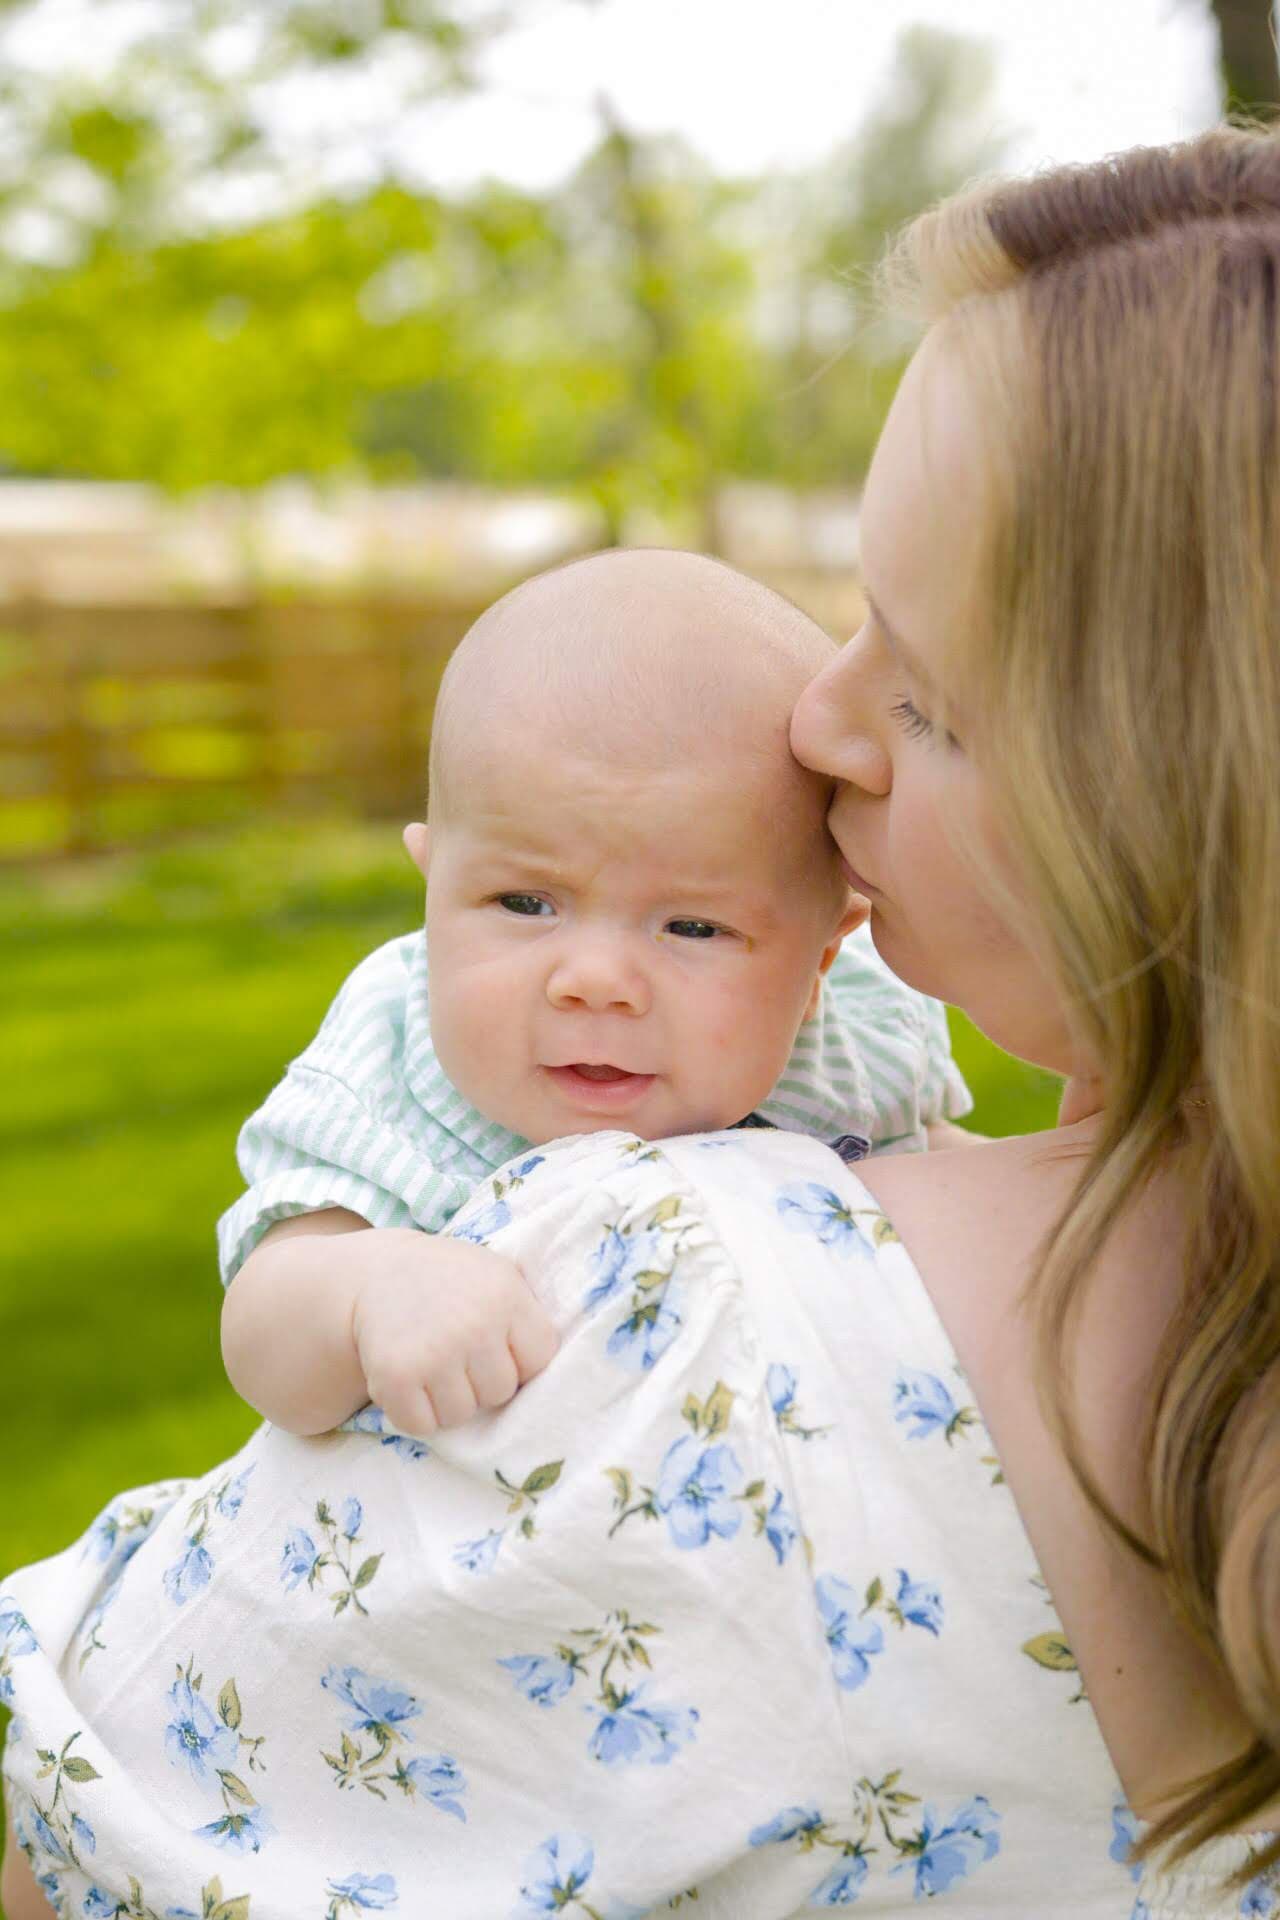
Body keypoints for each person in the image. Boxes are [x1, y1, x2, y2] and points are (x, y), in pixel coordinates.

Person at [4, 124, 1280, 1918]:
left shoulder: (686, 1318)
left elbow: (66, 1817)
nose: (812, 730)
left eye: (921, 695)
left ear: (1174, 798)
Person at [215, 546, 972, 1444]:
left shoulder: (859, 1044)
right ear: (432, 886)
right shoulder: (399, 1057)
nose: (596, 984)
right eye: (525, 904)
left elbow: (951, 1182)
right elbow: (265, 1333)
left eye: (692, 928)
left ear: (821, 959)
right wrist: (370, 1289)